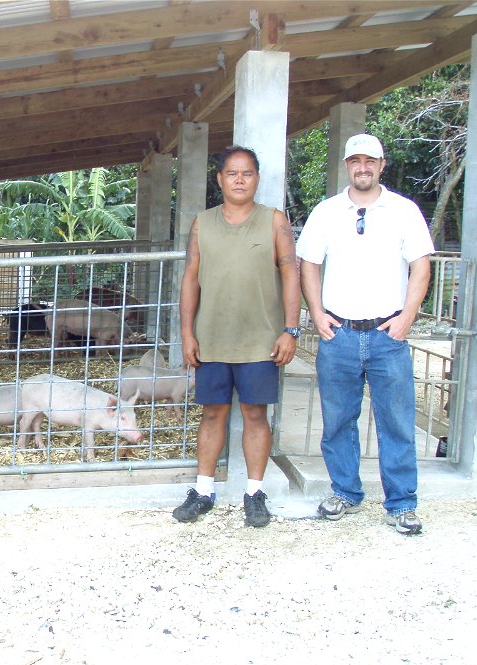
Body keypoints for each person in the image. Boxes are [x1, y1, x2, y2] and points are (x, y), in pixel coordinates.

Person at [297, 133, 433, 535]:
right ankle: (345, 491)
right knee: (338, 420)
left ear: (381, 165)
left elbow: (421, 267)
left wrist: (407, 317)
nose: (362, 167)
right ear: (346, 166)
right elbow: (308, 264)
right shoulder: (327, 211)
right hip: (338, 332)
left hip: (387, 334)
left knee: (397, 421)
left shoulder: (403, 211)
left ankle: (402, 503)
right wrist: (316, 313)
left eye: (369, 161)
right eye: (355, 161)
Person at [174, 146, 301, 527]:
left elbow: (290, 273)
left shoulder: (274, 221)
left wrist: (290, 329)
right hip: (211, 338)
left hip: (261, 340)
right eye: (232, 173)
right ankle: (203, 490)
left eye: (247, 173)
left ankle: (254, 493)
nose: (240, 179)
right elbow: (191, 278)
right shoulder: (202, 223)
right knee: (212, 413)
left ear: (257, 178)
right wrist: (186, 333)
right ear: (220, 180)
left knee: (255, 414)